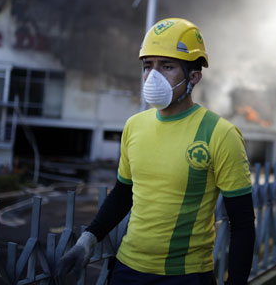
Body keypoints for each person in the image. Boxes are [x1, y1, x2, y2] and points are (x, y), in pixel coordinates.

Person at [58, 18, 256, 284]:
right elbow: (123, 193)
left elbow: (241, 221)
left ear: (194, 77)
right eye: (147, 66)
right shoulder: (134, 126)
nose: (153, 76)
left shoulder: (220, 134)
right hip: (126, 270)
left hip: (185, 276)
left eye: (167, 66)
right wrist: (87, 240)